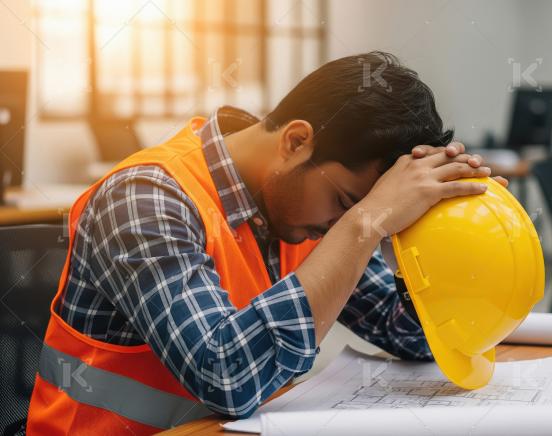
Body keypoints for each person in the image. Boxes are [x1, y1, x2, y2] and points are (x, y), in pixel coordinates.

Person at [26, 51, 506, 434]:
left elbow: (409, 333)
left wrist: (442, 230)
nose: (342, 220)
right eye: (345, 200)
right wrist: (366, 221)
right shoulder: (145, 199)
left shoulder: (305, 210)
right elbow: (227, 377)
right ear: (296, 141)